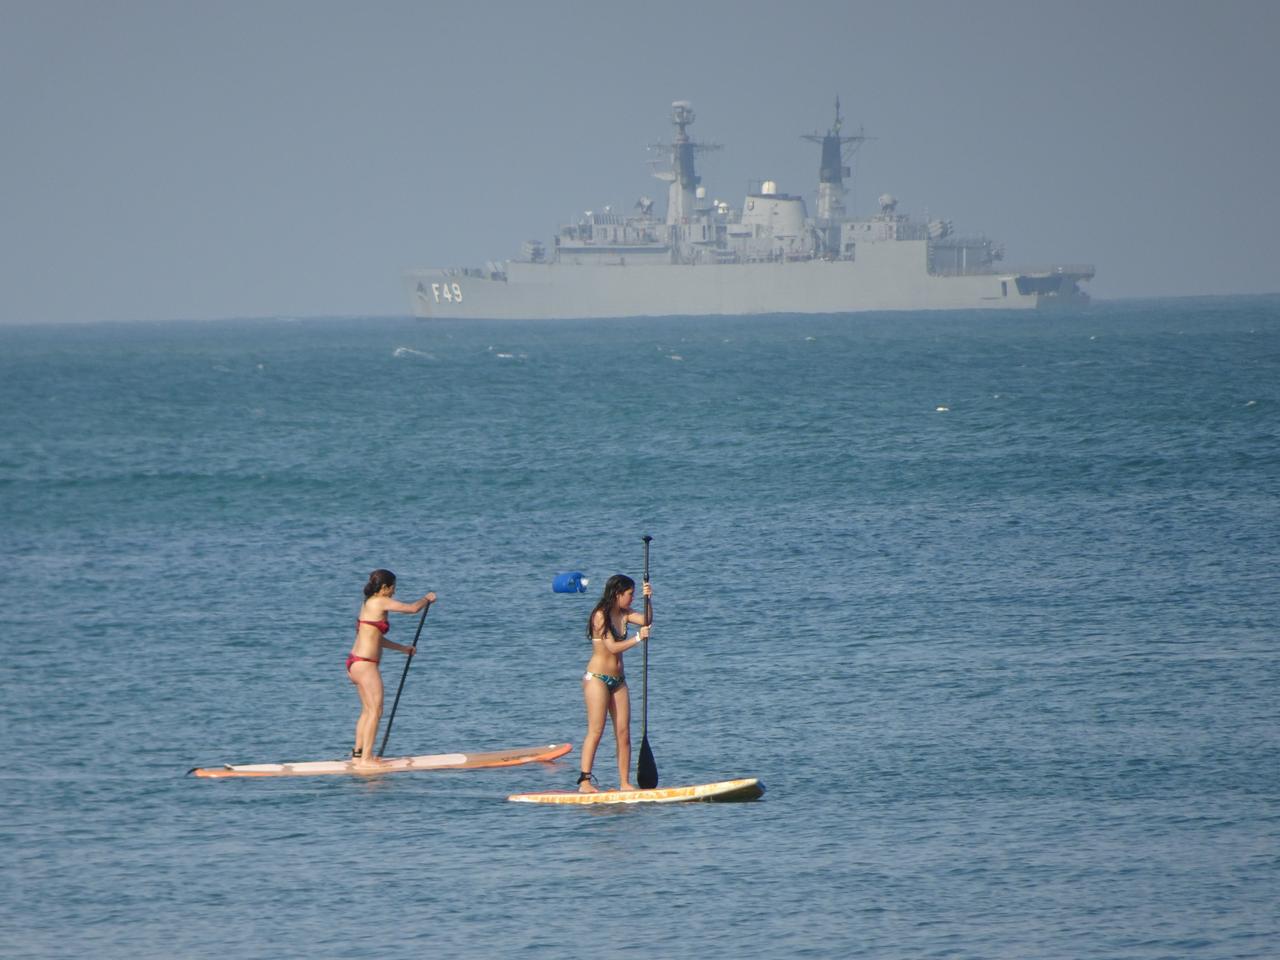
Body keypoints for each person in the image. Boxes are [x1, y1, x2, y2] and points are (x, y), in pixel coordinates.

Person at [347, 569, 435, 767]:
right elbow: (413, 609)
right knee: (376, 711)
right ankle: (367, 760)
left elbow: (376, 639)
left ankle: (358, 756)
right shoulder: (379, 601)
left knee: (367, 711)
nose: (395, 591)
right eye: (393, 587)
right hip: (366, 665)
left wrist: (403, 649)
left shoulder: (368, 603)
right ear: (385, 588)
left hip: (355, 663)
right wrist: (426, 599)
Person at [578, 573, 652, 792]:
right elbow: (611, 647)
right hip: (597, 679)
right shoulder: (600, 616)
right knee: (596, 730)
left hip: (619, 680)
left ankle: (625, 783)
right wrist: (638, 638)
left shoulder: (625, 613)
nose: (632, 598)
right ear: (618, 593)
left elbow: (647, 620)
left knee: (623, 732)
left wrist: (649, 598)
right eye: (630, 594)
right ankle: (584, 782)